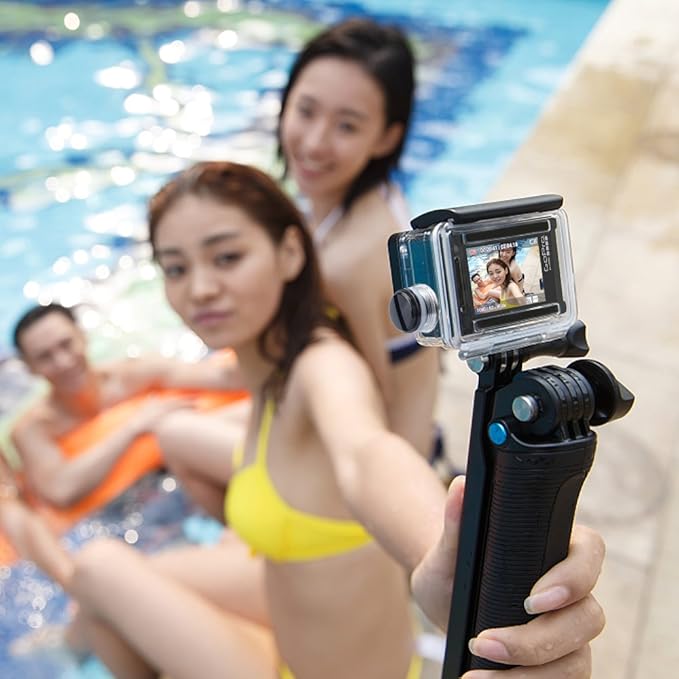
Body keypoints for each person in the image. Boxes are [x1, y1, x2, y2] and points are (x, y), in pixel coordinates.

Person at [3, 162, 605, 679]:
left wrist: (444, 553)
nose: (199, 289)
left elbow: (366, 451)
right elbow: (186, 379)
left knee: (97, 570)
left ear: (290, 252)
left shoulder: (322, 365)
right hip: (301, 621)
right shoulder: (265, 360)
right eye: (175, 268)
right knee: (107, 593)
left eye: (227, 257)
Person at [160, 18, 443, 517]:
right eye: (306, 111)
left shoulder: (349, 260)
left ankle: (258, 546)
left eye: (347, 126)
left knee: (169, 432)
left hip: (375, 488)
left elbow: (367, 408)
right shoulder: (375, 200)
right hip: (418, 437)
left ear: (386, 138)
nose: (313, 142)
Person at [9, 303, 246, 510]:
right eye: (45, 357)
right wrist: (133, 427)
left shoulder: (135, 374)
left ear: (82, 336)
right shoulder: (35, 428)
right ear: (30, 367)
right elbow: (61, 491)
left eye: (66, 344)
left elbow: (223, 378)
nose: (63, 361)